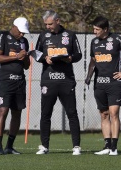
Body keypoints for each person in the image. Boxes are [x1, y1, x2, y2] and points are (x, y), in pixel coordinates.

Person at [85, 16, 121, 156]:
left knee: (114, 114)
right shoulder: (94, 42)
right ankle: (107, 146)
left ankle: (114, 147)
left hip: (113, 84)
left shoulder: (116, 39)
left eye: (97, 29)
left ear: (105, 29)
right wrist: (89, 76)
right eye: (94, 29)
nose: (94, 31)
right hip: (99, 84)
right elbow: (93, 60)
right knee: (104, 115)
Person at [35, 10, 82, 155]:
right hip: (48, 80)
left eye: (50, 24)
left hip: (66, 80)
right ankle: (44, 146)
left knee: (72, 113)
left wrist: (69, 59)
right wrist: (45, 58)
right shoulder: (43, 36)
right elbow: (36, 53)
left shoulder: (70, 35)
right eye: (46, 24)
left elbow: (78, 54)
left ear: (58, 21)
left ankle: (76, 146)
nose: (48, 26)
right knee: (45, 114)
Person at [0, 17, 30, 155]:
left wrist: (26, 57)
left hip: (20, 81)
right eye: (20, 32)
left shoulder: (24, 42)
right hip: (5, 80)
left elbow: (26, 66)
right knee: (3, 111)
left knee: (17, 112)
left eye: (24, 33)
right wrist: (16, 57)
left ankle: (10, 145)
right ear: (14, 27)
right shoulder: (2, 36)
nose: (22, 34)